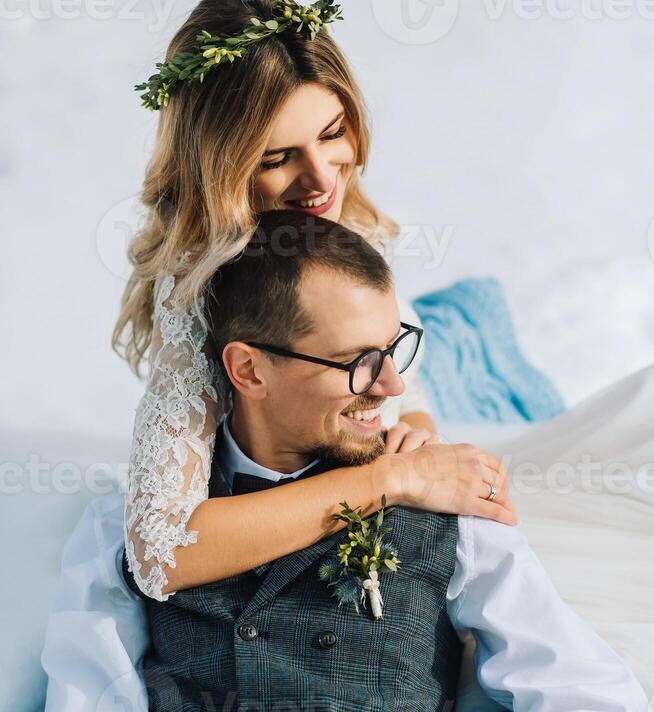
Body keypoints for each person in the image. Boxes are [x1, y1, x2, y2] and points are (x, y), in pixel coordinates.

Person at [2, 212, 652, 712]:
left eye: (395, 349)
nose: (393, 387)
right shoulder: (135, 526)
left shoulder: (447, 510)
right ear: (248, 369)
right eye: (358, 361)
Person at [112, 0, 516, 605]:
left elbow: (407, 396)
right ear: (223, 167)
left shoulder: (339, 216)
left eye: (333, 134)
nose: (324, 178)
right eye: (277, 158)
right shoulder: (196, 293)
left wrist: (414, 439)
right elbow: (161, 551)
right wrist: (390, 478)